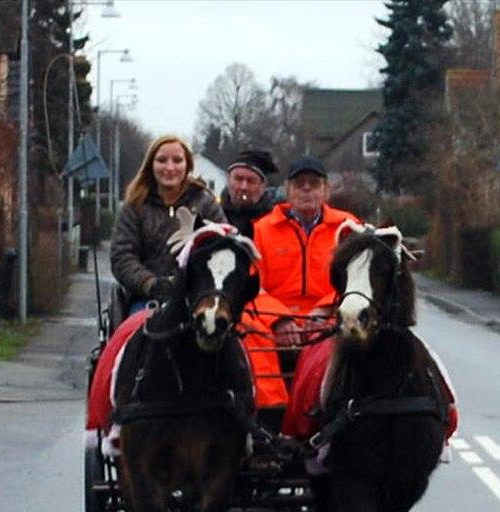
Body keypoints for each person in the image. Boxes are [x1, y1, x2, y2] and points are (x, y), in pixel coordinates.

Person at [239, 155, 358, 411]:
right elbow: (252, 284)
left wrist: (323, 311)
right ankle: (271, 412)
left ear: (326, 191)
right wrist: (281, 320)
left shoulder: (348, 228)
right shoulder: (261, 229)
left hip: (329, 316)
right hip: (273, 317)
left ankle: (337, 410)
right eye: (299, 183)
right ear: (287, 191)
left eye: (314, 183)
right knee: (247, 331)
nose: (306, 189)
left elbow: (355, 279)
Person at [110, 134, 225, 317]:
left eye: (177, 160)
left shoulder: (206, 203)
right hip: (146, 299)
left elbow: (223, 247)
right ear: (151, 165)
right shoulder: (134, 206)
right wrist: (150, 283)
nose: (170, 167)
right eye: (162, 160)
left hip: (199, 298)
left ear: (187, 165)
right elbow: (122, 256)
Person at [220, 149, 280, 238]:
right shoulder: (213, 216)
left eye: (251, 181)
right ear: (228, 180)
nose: (244, 187)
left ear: (263, 186)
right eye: (239, 179)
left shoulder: (275, 222)